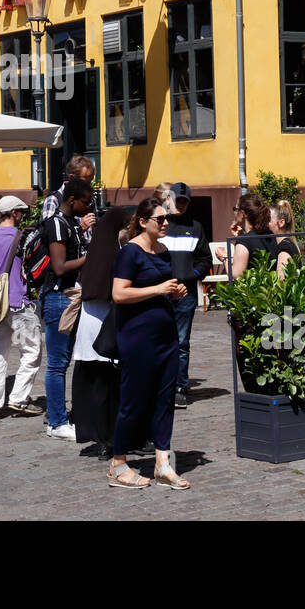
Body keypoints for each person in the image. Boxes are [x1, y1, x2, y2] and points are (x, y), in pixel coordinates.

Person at [108, 199, 189, 490]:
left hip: (165, 336)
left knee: (165, 400)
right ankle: (118, 464)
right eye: (160, 218)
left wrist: (174, 292)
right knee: (133, 401)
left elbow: (160, 291)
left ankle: (162, 463)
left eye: (167, 218)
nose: (166, 222)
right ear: (143, 221)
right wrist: (158, 288)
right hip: (137, 337)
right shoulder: (130, 252)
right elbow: (119, 294)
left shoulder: (164, 251)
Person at [0, 196, 43, 420]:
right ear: (14, 213)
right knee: (31, 351)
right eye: (20, 212)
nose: (22, 216)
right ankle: (18, 398)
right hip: (18, 303)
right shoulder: (22, 237)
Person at [72, 206, 130, 459]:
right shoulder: (112, 252)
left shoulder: (100, 248)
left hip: (92, 333)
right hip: (103, 332)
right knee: (108, 390)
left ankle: (105, 439)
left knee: (99, 390)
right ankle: (110, 438)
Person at [40, 177, 95, 440]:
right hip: (58, 298)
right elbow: (60, 267)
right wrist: (90, 257)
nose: (89, 206)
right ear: (71, 200)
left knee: (63, 362)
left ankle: (58, 416)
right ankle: (57, 422)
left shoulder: (71, 224)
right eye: (86, 201)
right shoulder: (58, 224)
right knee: (57, 364)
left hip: (68, 297)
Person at [161, 182, 209, 409]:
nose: (180, 205)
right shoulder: (159, 225)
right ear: (167, 200)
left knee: (181, 342)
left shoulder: (196, 227)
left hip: (186, 294)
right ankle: (161, 385)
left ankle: (180, 386)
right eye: (176, 200)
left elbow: (205, 258)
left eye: (184, 201)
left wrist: (191, 276)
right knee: (158, 339)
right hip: (159, 292)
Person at [230, 193, 275, 276]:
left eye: (235, 209)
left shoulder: (244, 241)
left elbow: (236, 276)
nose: (234, 212)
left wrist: (225, 259)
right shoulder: (270, 234)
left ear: (243, 214)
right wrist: (241, 236)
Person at [43, 155, 98, 223]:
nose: (89, 185)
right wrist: (80, 229)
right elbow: (50, 230)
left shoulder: (90, 198)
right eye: (86, 182)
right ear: (71, 178)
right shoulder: (54, 200)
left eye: (91, 181)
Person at [268, 199, 300, 277]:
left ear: (281, 223)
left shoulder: (284, 248)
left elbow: (281, 283)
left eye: (268, 220)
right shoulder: (286, 244)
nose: (264, 223)